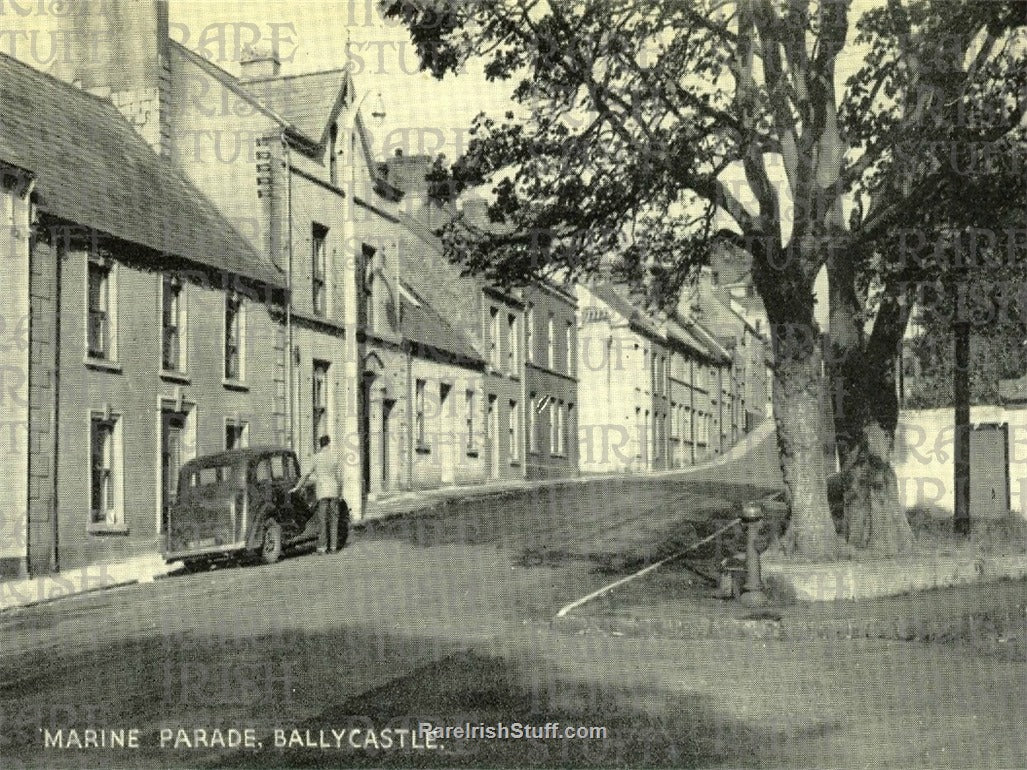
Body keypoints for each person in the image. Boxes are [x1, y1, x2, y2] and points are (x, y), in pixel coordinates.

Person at [291, 435, 343, 553]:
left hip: (322, 491)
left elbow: (306, 475)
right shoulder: (335, 457)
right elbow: (339, 477)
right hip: (334, 491)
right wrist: (340, 492)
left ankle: (322, 547)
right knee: (334, 519)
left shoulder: (316, 458)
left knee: (323, 519)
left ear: (320, 445)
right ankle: (333, 547)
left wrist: (297, 487)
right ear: (329, 444)